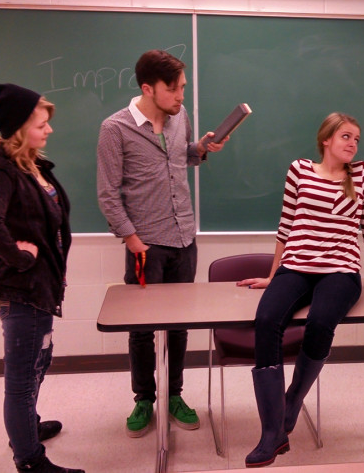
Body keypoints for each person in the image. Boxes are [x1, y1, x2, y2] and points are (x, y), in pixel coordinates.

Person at [236, 112, 364, 468]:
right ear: (326, 140)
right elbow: (285, 227)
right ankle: (272, 434)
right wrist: (273, 276)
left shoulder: (361, 175)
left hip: (340, 270)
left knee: (319, 324)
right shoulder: (299, 170)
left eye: (357, 139)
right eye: (346, 136)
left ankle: (291, 404)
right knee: (267, 319)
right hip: (296, 266)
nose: (352, 144)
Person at [97, 49, 227, 437]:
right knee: (141, 328)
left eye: (183, 88)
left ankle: (174, 395)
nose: (181, 97)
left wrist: (200, 149)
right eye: (174, 90)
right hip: (145, 245)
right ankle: (144, 399)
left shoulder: (178, 118)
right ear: (148, 88)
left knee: (179, 326)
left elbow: (180, 159)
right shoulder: (115, 129)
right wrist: (134, 241)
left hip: (184, 238)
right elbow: (107, 194)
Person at [0, 84, 84, 473]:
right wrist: (22, 259)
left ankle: (27, 428)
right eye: (42, 124)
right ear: (20, 128)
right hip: (20, 289)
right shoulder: (2, 167)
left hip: (38, 287)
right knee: (22, 377)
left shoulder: (31, 164)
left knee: (40, 359)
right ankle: (29, 458)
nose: (49, 130)